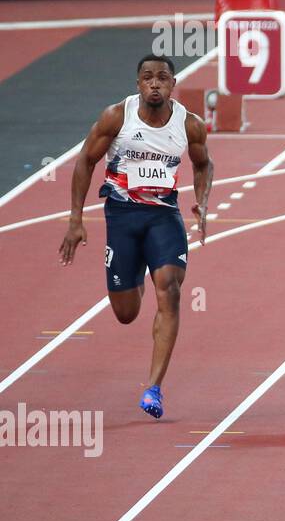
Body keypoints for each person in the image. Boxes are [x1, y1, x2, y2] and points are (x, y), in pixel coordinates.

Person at [59, 55, 213, 419]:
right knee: (126, 313)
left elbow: (204, 163)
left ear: (173, 84)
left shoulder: (189, 125)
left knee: (171, 289)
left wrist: (203, 203)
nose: (155, 84)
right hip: (123, 216)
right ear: (138, 84)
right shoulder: (117, 116)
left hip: (164, 216)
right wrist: (75, 219)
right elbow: (85, 160)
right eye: (147, 78)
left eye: (162, 78)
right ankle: (138, 271)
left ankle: (154, 388)